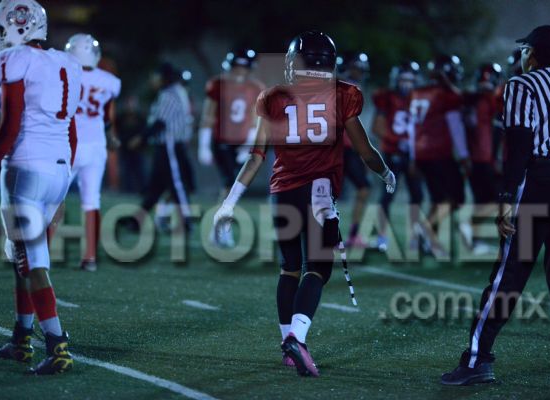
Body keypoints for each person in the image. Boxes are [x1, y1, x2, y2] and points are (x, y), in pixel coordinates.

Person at [212, 31, 395, 377]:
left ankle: (287, 344)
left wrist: (229, 203)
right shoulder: (344, 94)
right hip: (319, 191)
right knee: (318, 268)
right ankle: (297, 337)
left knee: (289, 268)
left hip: (282, 191)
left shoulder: (273, 97)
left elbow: (255, 156)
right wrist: (385, 172)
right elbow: (365, 150)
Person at [441, 25, 550, 392]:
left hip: (539, 182)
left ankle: (477, 360)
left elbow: (519, 144)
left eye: (525, 50)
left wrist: (505, 197)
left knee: (509, 274)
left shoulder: (521, 85)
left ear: (531, 54)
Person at [0, 0, 81, 374]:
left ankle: (57, 345)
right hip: (58, 168)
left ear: (19, 25)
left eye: (0, 28)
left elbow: (9, 126)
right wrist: (64, 184)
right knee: (21, 257)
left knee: (32, 261)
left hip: (25, 169)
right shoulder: (65, 63)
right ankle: (22, 338)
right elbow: (71, 130)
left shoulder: (14, 60)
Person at [65, 33, 121, 272]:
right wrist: (111, 136)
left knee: (54, 198)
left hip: (68, 144)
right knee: (91, 201)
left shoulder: (64, 73)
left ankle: (42, 252)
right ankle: (89, 257)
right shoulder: (110, 81)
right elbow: (106, 115)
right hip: (96, 145)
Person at [409, 55, 471, 255]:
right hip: (439, 153)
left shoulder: (418, 93)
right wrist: (464, 155)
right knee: (455, 198)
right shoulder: (447, 95)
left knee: (438, 199)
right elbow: (455, 127)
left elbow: (412, 127)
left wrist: (412, 156)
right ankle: (423, 231)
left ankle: (428, 241)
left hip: (421, 153)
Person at [124, 63, 192, 234]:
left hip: (170, 144)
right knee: (155, 188)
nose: (152, 80)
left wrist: (141, 139)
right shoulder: (172, 92)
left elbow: (160, 123)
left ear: (163, 77)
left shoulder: (170, 94)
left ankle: (186, 221)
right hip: (164, 145)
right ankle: (136, 221)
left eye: (154, 76)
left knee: (176, 184)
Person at [373, 61, 424, 252]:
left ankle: (415, 237)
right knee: (387, 195)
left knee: (417, 194)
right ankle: (381, 237)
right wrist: (396, 141)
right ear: (396, 80)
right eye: (403, 79)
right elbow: (377, 127)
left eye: (410, 80)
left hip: (413, 154)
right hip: (392, 152)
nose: (407, 84)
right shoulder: (387, 97)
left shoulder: (420, 99)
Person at [198, 49, 264, 195]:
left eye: (243, 68)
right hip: (222, 140)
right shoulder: (217, 84)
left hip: (242, 140)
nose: (239, 72)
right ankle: (225, 208)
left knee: (237, 182)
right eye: (236, 68)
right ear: (230, 67)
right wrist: (204, 144)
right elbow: (208, 115)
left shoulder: (255, 88)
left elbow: (255, 118)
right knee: (230, 180)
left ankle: (226, 207)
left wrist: (250, 143)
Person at [462, 63, 503, 255]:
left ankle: (474, 240)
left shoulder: (470, 101)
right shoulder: (488, 100)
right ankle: (469, 226)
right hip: (484, 158)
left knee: (481, 200)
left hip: (473, 157)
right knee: (497, 199)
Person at [337, 52, 372, 248]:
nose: (359, 73)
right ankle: (325, 236)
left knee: (363, 188)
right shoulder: (346, 89)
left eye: (360, 70)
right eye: (356, 69)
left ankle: (352, 234)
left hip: (347, 148)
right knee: (328, 193)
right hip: (337, 148)